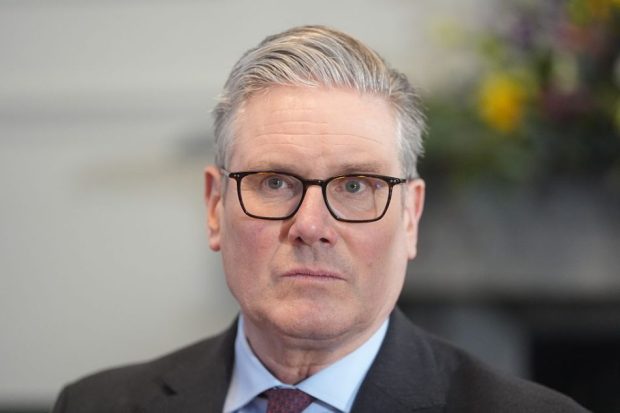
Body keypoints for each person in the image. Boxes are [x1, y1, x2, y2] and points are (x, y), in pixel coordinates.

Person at [52, 25, 589, 413]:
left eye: (355, 186)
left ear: (410, 217)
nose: (310, 226)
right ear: (215, 207)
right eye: (275, 182)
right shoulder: (94, 404)